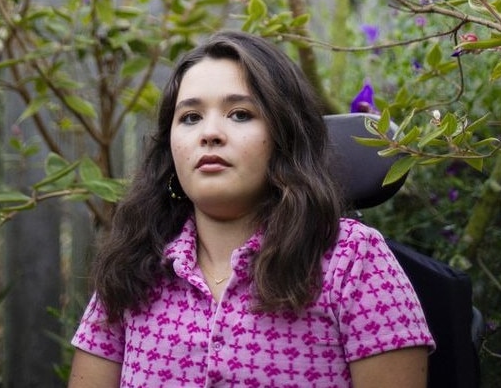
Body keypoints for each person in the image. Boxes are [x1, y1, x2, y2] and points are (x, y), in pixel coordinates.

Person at [68, 30, 434, 388]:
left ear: (283, 136)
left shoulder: (352, 261)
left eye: (240, 114)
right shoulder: (134, 266)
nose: (209, 133)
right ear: (170, 147)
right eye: (190, 117)